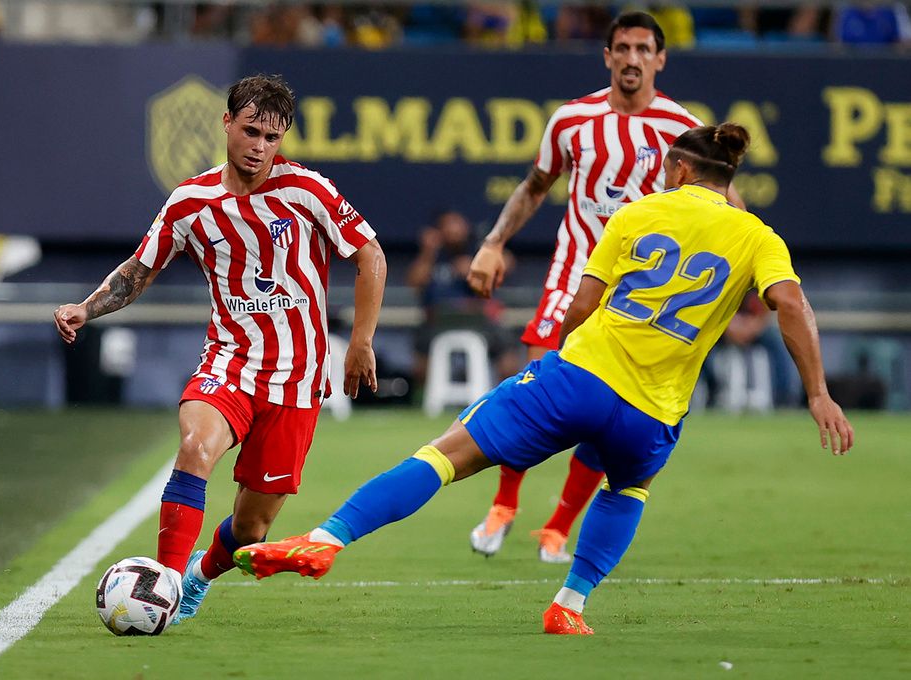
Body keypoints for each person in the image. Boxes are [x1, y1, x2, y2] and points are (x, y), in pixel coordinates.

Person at [231, 122, 853, 635]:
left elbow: (581, 305)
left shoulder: (638, 215)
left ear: (681, 171)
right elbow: (792, 306)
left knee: (446, 455)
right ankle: (569, 606)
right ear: (727, 179)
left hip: (581, 375)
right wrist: (819, 393)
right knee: (628, 490)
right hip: (655, 414)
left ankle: (328, 538)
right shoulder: (758, 236)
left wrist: (553, 365)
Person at [53, 74, 386, 624]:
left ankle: (197, 578)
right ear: (227, 122)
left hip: (297, 381)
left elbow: (369, 257)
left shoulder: (308, 190)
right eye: (251, 130)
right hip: (228, 363)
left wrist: (362, 342)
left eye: (272, 138)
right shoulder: (191, 201)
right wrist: (86, 308)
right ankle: (159, 589)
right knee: (195, 448)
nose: (259, 147)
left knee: (252, 528)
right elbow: (141, 267)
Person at [465, 10, 738, 564]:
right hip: (574, 274)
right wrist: (493, 241)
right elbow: (535, 185)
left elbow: (726, 205)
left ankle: (558, 526)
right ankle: (503, 505)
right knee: (534, 384)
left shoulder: (681, 129)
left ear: (660, 59)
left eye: (644, 49)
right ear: (607, 56)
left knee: (608, 411)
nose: (633, 58)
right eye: (623, 48)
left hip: (640, 294)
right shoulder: (572, 120)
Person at [406, 209, 520, 390]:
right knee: (420, 354)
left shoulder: (478, 246)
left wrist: (475, 267)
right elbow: (414, 282)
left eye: (457, 224)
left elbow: (508, 263)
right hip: (439, 321)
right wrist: (428, 251)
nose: (453, 230)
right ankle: (425, 401)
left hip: (479, 320)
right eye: (448, 225)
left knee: (508, 353)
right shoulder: (434, 254)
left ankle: (505, 397)